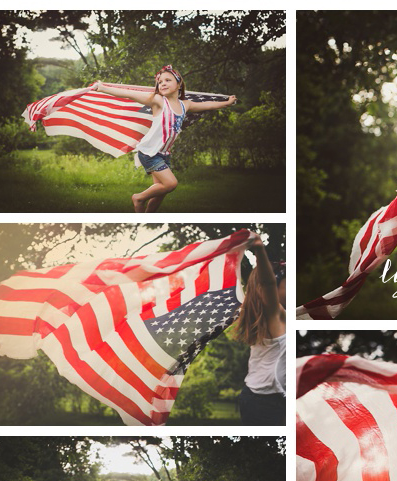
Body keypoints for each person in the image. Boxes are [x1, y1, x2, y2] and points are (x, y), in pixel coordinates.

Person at [94, 65, 237, 213]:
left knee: (160, 193)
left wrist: (226, 103)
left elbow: (206, 105)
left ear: (179, 84)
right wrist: (103, 87)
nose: (162, 83)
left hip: (164, 154)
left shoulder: (185, 105)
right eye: (160, 82)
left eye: (168, 80)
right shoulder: (158, 101)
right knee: (170, 184)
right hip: (149, 152)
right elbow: (129, 94)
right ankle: (139, 198)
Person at [234, 234, 286, 425]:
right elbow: (268, 282)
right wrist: (259, 250)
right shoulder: (275, 315)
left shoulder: (281, 315)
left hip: (270, 399)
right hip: (263, 403)